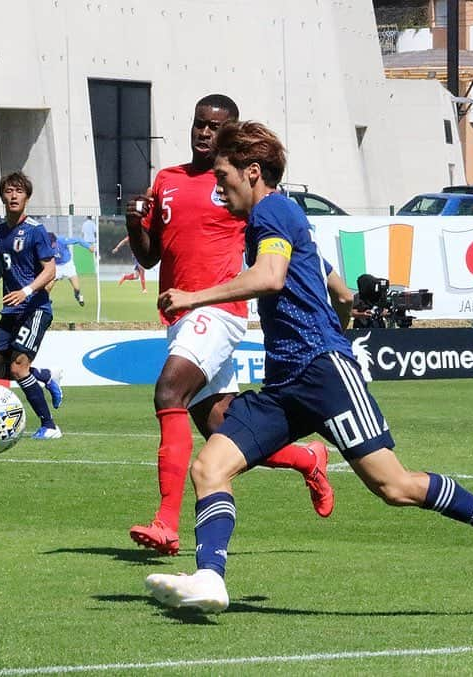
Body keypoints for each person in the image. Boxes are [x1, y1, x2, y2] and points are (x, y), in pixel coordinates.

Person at [144, 120, 473, 613]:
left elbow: (271, 277)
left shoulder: (272, 211)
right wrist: (344, 303)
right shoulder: (280, 216)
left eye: (224, 176)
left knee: (394, 486)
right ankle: (210, 577)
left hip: (322, 372)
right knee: (210, 466)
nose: (219, 187)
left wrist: (194, 296)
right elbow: (321, 274)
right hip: (286, 382)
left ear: (252, 172)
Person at [124, 95, 333, 558]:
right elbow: (149, 255)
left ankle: (165, 522)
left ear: (231, 133)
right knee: (224, 430)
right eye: (198, 124)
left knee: (167, 395)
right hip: (180, 315)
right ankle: (308, 459)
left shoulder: (237, 187)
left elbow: (283, 245)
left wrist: (334, 286)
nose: (203, 132)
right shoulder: (168, 180)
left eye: (214, 126)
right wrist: (134, 220)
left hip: (218, 311)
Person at [0, 171, 64, 440]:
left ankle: (50, 426)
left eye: (19, 191)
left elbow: (50, 270)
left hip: (35, 309)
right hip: (10, 312)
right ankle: (43, 375)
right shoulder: (0, 231)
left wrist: (26, 291)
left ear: (27, 197)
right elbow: (0, 267)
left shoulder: (36, 231)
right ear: (2, 196)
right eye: (8, 191)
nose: (13, 195)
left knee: (17, 368)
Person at [46, 231, 94, 306]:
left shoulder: (62, 240)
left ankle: (77, 296)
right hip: (56, 267)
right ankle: (45, 301)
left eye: (52, 243)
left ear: (55, 241)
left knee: (77, 288)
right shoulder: (45, 245)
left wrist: (88, 246)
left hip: (68, 265)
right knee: (48, 287)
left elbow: (78, 240)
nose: (51, 246)